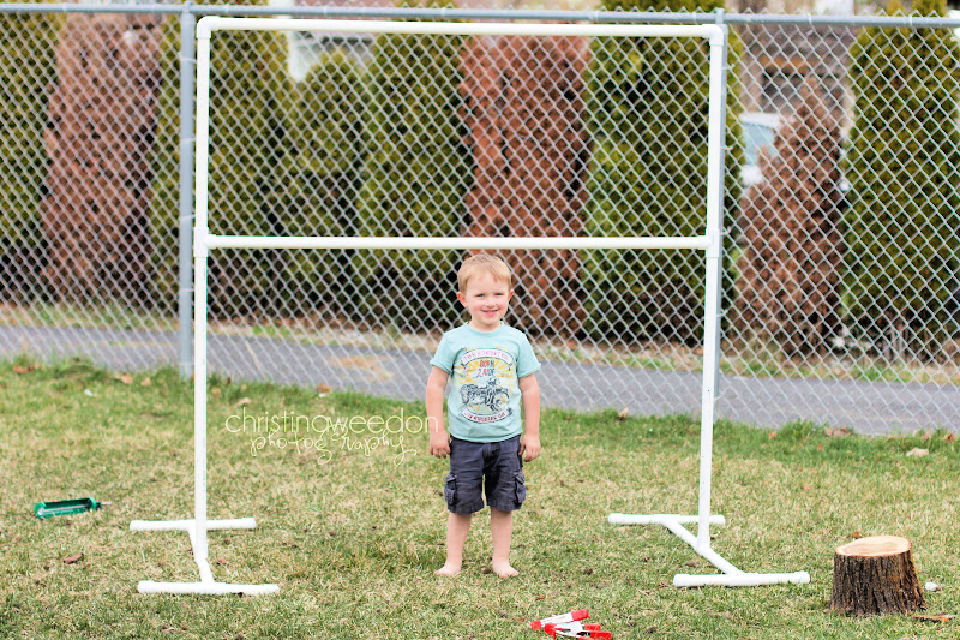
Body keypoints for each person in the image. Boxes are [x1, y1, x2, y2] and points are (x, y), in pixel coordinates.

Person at [425, 254, 541, 578]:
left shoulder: (516, 340)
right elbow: (435, 385)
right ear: (463, 299)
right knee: (461, 502)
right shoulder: (454, 340)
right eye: (480, 295)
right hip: (465, 440)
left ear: (509, 296)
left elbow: (530, 388)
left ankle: (500, 560)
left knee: (504, 502)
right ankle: (453, 562)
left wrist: (531, 434)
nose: (490, 303)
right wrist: (437, 431)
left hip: (506, 440)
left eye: (497, 295)